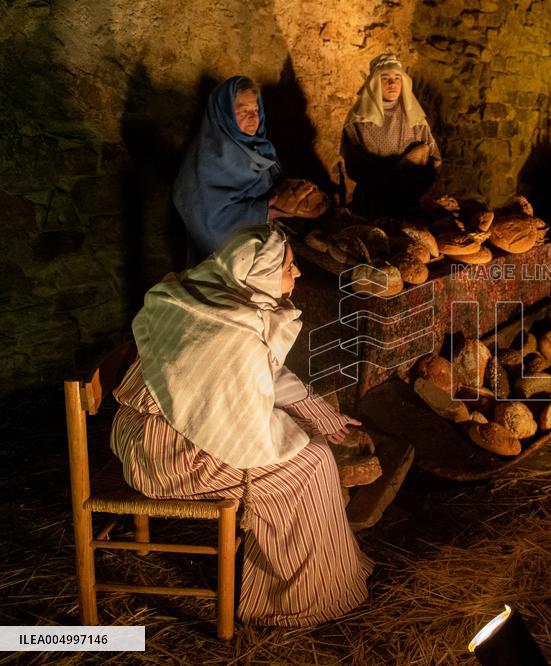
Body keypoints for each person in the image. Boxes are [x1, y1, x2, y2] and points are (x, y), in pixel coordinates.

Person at [110, 226, 372, 627]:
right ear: (261, 273)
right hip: (165, 453)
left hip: (158, 427)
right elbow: (249, 407)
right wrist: (305, 428)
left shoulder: (214, 295)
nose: (297, 274)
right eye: (289, 266)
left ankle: (332, 576)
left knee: (313, 449)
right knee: (308, 466)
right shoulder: (227, 328)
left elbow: (261, 371)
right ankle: (296, 601)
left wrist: (313, 408)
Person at [174, 77, 326, 256]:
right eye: (243, 111)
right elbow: (204, 219)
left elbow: (271, 184)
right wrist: (263, 212)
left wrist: (292, 191)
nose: (254, 117)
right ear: (224, 114)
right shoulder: (210, 158)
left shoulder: (259, 147)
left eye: (255, 109)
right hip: (229, 255)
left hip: (266, 238)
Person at [341, 53, 442, 219]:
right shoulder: (358, 122)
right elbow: (356, 166)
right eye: (385, 78)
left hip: (408, 202)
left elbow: (433, 159)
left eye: (397, 78)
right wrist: (392, 174)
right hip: (372, 203)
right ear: (374, 83)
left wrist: (414, 182)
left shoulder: (415, 118)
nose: (393, 83)